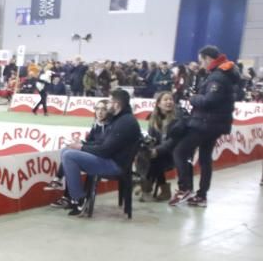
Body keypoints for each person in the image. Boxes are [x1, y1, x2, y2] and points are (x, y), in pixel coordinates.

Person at [169, 45, 239, 208]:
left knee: (179, 151)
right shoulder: (224, 74)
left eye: (201, 61)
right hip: (214, 123)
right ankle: (201, 195)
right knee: (205, 159)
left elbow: (209, 101)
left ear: (208, 58)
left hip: (206, 124)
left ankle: (184, 188)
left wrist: (193, 98)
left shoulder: (218, 77)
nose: (200, 65)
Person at [58, 88, 142, 216]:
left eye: (108, 102)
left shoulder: (124, 123)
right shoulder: (121, 119)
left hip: (115, 166)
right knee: (67, 150)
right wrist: (82, 144)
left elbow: (104, 150)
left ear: (116, 104)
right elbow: (102, 144)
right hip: (112, 160)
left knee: (69, 155)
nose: (107, 105)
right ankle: (77, 197)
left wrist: (80, 147)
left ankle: (79, 199)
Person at [47, 99, 111, 206]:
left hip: (101, 159)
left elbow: (101, 145)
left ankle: (63, 186)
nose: (99, 112)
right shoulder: (96, 124)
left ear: (108, 111)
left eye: (103, 109)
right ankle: (63, 189)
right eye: (97, 109)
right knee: (66, 152)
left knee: (69, 156)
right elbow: (90, 141)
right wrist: (80, 142)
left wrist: (82, 145)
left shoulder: (110, 126)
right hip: (92, 154)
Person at [138, 91, 187, 202]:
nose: (169, 102)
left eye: (170, 99)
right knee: (143, 155)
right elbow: (151, 138)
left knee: (156, 160)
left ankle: (148, 187)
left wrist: (157, 151)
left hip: (174, 153)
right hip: (158, 150)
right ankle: (148, 185)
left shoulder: (178, 119)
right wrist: (149, 148)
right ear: (158, 104)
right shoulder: (153, 118)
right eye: (165, 99)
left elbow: (173, 141)